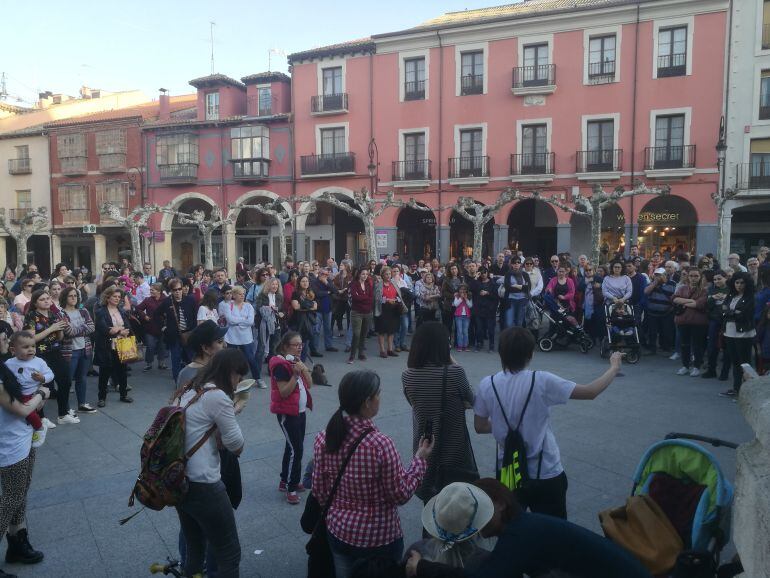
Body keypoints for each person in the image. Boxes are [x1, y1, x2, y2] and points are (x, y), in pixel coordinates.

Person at [474, 327, 623, 519]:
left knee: (512, 528)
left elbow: (480, 426)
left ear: (501, 354)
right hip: (546, 471)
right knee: (554, 530)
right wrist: (614, 368)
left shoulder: (487, 384)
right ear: (530, 354)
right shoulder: (541, 380)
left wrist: (505, 426)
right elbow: (590, 392)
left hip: (509, 471)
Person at [312, 370, 434, 576]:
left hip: (338, 531)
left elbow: (319, 491)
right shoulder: (380, 444)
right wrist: (420, 460)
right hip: (378, 538)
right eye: (378, 394)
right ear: (367, 402)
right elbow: (400, 494)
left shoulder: (323, 438)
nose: (380, 398)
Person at [406, 478, 652, 578]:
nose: (477, 528)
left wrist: (423, 567)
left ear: (501, 504)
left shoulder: (520, 536)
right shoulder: (524, 526)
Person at [175, 348, 246, 578]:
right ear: (230, 372)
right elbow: (236, 445)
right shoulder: (217, 396)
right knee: (229, 553)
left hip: (178, 479)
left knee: (195, 547)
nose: (240, 381)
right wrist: (237, 407)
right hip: (204, 484)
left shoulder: (188, 390)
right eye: (239, 375)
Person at [402, 322, 475, 502]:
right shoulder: (455, 372)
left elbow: (414, 404)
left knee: (431, 508)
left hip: (425, 450)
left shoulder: (408, 376)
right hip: (454, 451)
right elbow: (472, 400)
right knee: (457, 510)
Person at [0, 357, 50, 576]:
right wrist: (42, 393)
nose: (4, 339)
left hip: (22, 437)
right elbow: (21, 409)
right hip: (8, 444)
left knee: (20, 493)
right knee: (11, 497)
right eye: (3, 337)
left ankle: (18, 542)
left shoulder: (7, 368)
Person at [269, 331, 313, 505]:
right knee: (297, 449)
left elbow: (309, 384)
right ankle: (291, 487)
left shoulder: (295, 361)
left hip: (299, 412)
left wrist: (303, 369)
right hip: (287, 413)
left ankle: (284, 480)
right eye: (296, 344)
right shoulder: (280, 365)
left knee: (291, 447)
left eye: (301, 344)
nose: (300, 347)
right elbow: (284, 392)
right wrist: (295, 375)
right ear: (286, 346)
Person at [23, 289, 75, 424]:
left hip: (55, 351)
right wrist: (51, 328)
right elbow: (31, 338)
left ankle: (63, 414)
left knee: (65, 381)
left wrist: (60, 329)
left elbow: (60, 338)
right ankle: (41, 417)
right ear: (35, 303)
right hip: (39, 355)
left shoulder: (53, 314)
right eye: (42, 299)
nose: (46, 301)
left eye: (48, 298)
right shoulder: (31, 316)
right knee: (42, 386)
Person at [4, 332, 53, 448]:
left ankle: (39, 428)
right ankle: (29, 429)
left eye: (33, 346)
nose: (31, 350)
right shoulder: (9, 363)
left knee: (29, 413)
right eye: (26, 347)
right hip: (15, 393)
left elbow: (50, 374)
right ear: (13, 350)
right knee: (19, 415)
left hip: (31, 393)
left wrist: (43, 378)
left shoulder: (39, 362)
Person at [59, 287, 97, 414]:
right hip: (70, 351)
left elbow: (92, 327)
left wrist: (76, 330)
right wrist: (82, 328)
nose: (74, 298)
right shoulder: (61, 313)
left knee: (82, 378)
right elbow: (68, 332)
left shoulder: (83, 310)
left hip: (85, 348)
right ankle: (66, 407)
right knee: (67, 380)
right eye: (70, 296)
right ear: (65, 297)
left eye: (75, 295)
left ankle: (82, 404)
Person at [93, 286, 133, 407]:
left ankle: (123, 394)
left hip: (122, 345)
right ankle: (102, 397)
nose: (117, 299)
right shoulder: (101, 311)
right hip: (107, 346)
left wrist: (119, 329)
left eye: (119, 297)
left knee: (122, 371)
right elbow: (105, 330)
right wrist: (119, 331)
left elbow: (128, 327)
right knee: (105, 372)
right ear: (107, 297)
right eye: (114, 296)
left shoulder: (121, 311)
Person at [719, 272, 756, 398]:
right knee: (735, 362)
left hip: (744, 334)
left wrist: (729, 312)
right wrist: (733, 312)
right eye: (737, 282)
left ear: (747, 284)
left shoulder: (750, 297)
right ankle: (736, 389)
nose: (739, 285)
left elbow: (744, 315)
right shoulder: (730, 295)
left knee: (745, 363)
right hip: (729, 332)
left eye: (742, 283)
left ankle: (746, 392)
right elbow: (722, 311)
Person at [155, 278, 197, 381]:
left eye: (179, 289)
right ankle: (177, 381)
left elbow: (195, 316)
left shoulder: (190, 300)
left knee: (193, 358)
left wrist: (194, 329)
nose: (177, 291)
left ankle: (195, 379)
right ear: (171, 291)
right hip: (174, 335)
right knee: (175, 358)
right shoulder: (167, 302)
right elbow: (156, 315)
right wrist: (164, 328)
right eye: (175, 290)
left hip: (189, 334)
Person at [673, 268, 709, 378]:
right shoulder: (682, 288)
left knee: (697, 345)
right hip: (683, 320)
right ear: (688, 277)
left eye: (696, 276)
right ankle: (685, 365)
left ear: (700, 277)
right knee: (684, 344)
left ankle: (696, 367)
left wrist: (683, 301)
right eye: (691, 276)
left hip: (698, 322)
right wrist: (690, 301)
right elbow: (675, 299)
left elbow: (700, 304)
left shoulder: (704, 290)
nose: (693, 278)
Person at [220, 286, 260, 381]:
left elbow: (250, 321)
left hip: (246, 337)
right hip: (232, 337)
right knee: (231, 359)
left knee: (250, 358)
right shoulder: (228, 305)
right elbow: (230, 320)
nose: (242, 296)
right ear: (234, 295)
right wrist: (243, 320)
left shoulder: (248, 306)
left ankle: (258, 378)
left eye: (243, 294)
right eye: (239, 294)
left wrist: (237, 322)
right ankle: (231, 379)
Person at [254, 278, 284, 388]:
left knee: (274, 347)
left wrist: (281, 313)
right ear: (268, 285)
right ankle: (256, 372)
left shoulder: (279, 297)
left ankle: (272, 369)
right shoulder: (262, 295)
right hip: (264, 324)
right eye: (273, 284)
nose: (275, 286)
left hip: (276, 324)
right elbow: (258, 308)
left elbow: (282, 309)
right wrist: (269, 309)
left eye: (277, 284)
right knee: (261, 347)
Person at [136, 283, 169, 372]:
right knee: (150, 346)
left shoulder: (166, 300)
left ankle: (161, 363)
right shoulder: (148, 300)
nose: (150, 291)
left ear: (159, 291)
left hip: (163, 327)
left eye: (152, 290)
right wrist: (144, 316)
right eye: (150, 290)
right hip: (150, 327)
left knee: (162, 346)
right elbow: (138, 308)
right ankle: (149, 363)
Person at [703, 271, 731, 380]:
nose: (716, 281)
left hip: (727, 321)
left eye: (719, 279)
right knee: (711, 346)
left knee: (727, 347)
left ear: (725, 278)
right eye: (715, 279)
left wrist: (724, 299)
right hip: (714, 320)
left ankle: (724, 372)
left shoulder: (730, 289)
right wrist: (713, 298)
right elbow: (707, 305)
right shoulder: (711, 289)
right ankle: (711, 370)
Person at [643, 267, 676, 355]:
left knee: (666, 331)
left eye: (659, 275)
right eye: (656, 275)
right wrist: (655, 283)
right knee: (652, 332)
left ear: (665, 275)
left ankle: (665, 348)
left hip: (667, 313)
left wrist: (671, 308)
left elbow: (674, 297)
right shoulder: (651, 284)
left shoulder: (672, 284)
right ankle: (652, 348)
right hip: (652, 313)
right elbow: (646, 292)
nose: (657, 277)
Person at [374, 266, 403, 358]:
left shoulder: (394, 283)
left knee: (391, 330)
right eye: (386, 274)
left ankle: (390, 349)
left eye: (389, 274)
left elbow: (399, 295)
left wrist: (396, 300)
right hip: (383, 309)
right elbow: (377, 299)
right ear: (382, 275)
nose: (388, 275)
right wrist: (387, 300)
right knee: (381, 331)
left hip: (393, 309)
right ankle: (382, 350)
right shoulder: (379, 285)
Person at [348, 269, 374, 364]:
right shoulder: (353, 284)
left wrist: (362, 298)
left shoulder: (368, 285)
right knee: (356, 334)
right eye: (363, 274)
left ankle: (361, 353)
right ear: (359, 274)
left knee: (364, 333)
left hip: (367, 312)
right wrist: (365, 298)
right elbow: (355, 297)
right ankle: (352, 355)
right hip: (357, 312)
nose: (365, 276)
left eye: (366, 274)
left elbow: (371, 298)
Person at [290, 276, 318, 362]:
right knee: (297, 343)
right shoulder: (296, 293)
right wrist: (309, 305)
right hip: (298, 322)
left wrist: (303, 305)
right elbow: (296, 307)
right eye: (303, 281)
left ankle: (302, 363)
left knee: (305, 344)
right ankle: (296, 363)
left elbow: (315, 307)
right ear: (299, 283)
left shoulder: (311, 293)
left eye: (306, 281)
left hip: (309, 321)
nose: (305, 283)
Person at [503, 260, 531, 329]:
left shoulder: (524, 274)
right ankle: (510, 338)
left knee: (519, 322)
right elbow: (508, 288)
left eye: (518, 262)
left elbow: (528, 287)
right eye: (514, 263)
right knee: (509, 323)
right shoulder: (508, 274)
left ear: (520, 264)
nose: (516, 264)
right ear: (511, 264)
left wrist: (516, 286)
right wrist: (522, 287)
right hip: (511, 300)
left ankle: (517, 339)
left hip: (522, 300)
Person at [452, 285, 473, 351]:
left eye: (464, 289)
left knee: (465, 331)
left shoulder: (469, 296)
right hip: (458, 316)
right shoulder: (457, 296)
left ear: (466, 290)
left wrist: (466, 299)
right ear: (459, 290)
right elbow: (455, 304)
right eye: (461, 289)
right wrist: (461, 298)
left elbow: (470, 306)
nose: (462, 291)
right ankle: (460, 346)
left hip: (466, 316)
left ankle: (465, 346)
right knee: (459, 331)